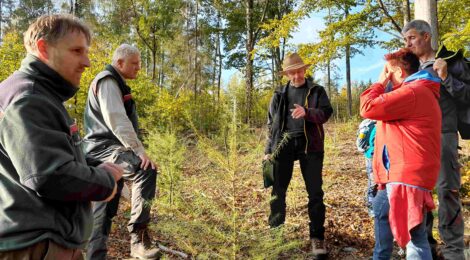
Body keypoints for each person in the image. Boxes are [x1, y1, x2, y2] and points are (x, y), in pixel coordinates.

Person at [0, 14, 123, 259]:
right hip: (37, 246)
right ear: (43, 48)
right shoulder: (28, 98)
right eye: (77, 51)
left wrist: (94, 165)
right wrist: (106, 182)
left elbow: (46, 155)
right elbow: (48, 175)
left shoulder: (37, 95)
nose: (87, 62)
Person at [360, 48, 441, 259]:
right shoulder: (418, 90)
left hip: (405, 176)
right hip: (404, 174)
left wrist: (378, 83)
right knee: (384, 211)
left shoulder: (411, 92)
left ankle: (381, 255)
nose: (386, 77)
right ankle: (381, 254)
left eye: (388, 71)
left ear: (398, 71)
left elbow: (368, 107)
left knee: (415, 236)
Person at [83, 44, 160, 259]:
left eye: (139, 64)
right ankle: (138, 240)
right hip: (103, 149)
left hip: (103, 150)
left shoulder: (116, 83)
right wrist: (139, 152)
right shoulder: (107, 81)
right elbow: (117, 120)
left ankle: (95, 255)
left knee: (105, 203)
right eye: (134, 64)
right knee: (145, 169)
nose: (138, 68)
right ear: (119, 63)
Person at [403, 19, 470, 260]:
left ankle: (453, 252)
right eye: (405, 40)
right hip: (414, 141)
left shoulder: (450, 61)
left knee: (446, 191)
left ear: (426, 36)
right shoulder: (407, 68)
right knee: (418, 195)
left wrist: (445, 77)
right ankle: (425, 249)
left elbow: (468, 96)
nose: (407, 44)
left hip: (443, 136)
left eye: (411, 38)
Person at [264, 53, 333, 258]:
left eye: (299, 70)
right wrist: (268, 151)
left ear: (305, 70)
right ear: (286, 74)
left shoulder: (316, 90)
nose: (296, 75)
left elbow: (326, 113)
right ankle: (276, 236)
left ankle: (317, 238)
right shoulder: (279, 94)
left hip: (310, 146)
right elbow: (271, 125)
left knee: (315, 193)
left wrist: (307, 112)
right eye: (292, 72)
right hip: (283, 145)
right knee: (277, 192)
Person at [356, 119, 377, 217]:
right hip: (372, 157)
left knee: (374, 183)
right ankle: (371, 207)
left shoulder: (374, 125)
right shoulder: (373, 126)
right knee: (373, 183)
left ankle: (373, 207)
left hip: (373, 157)